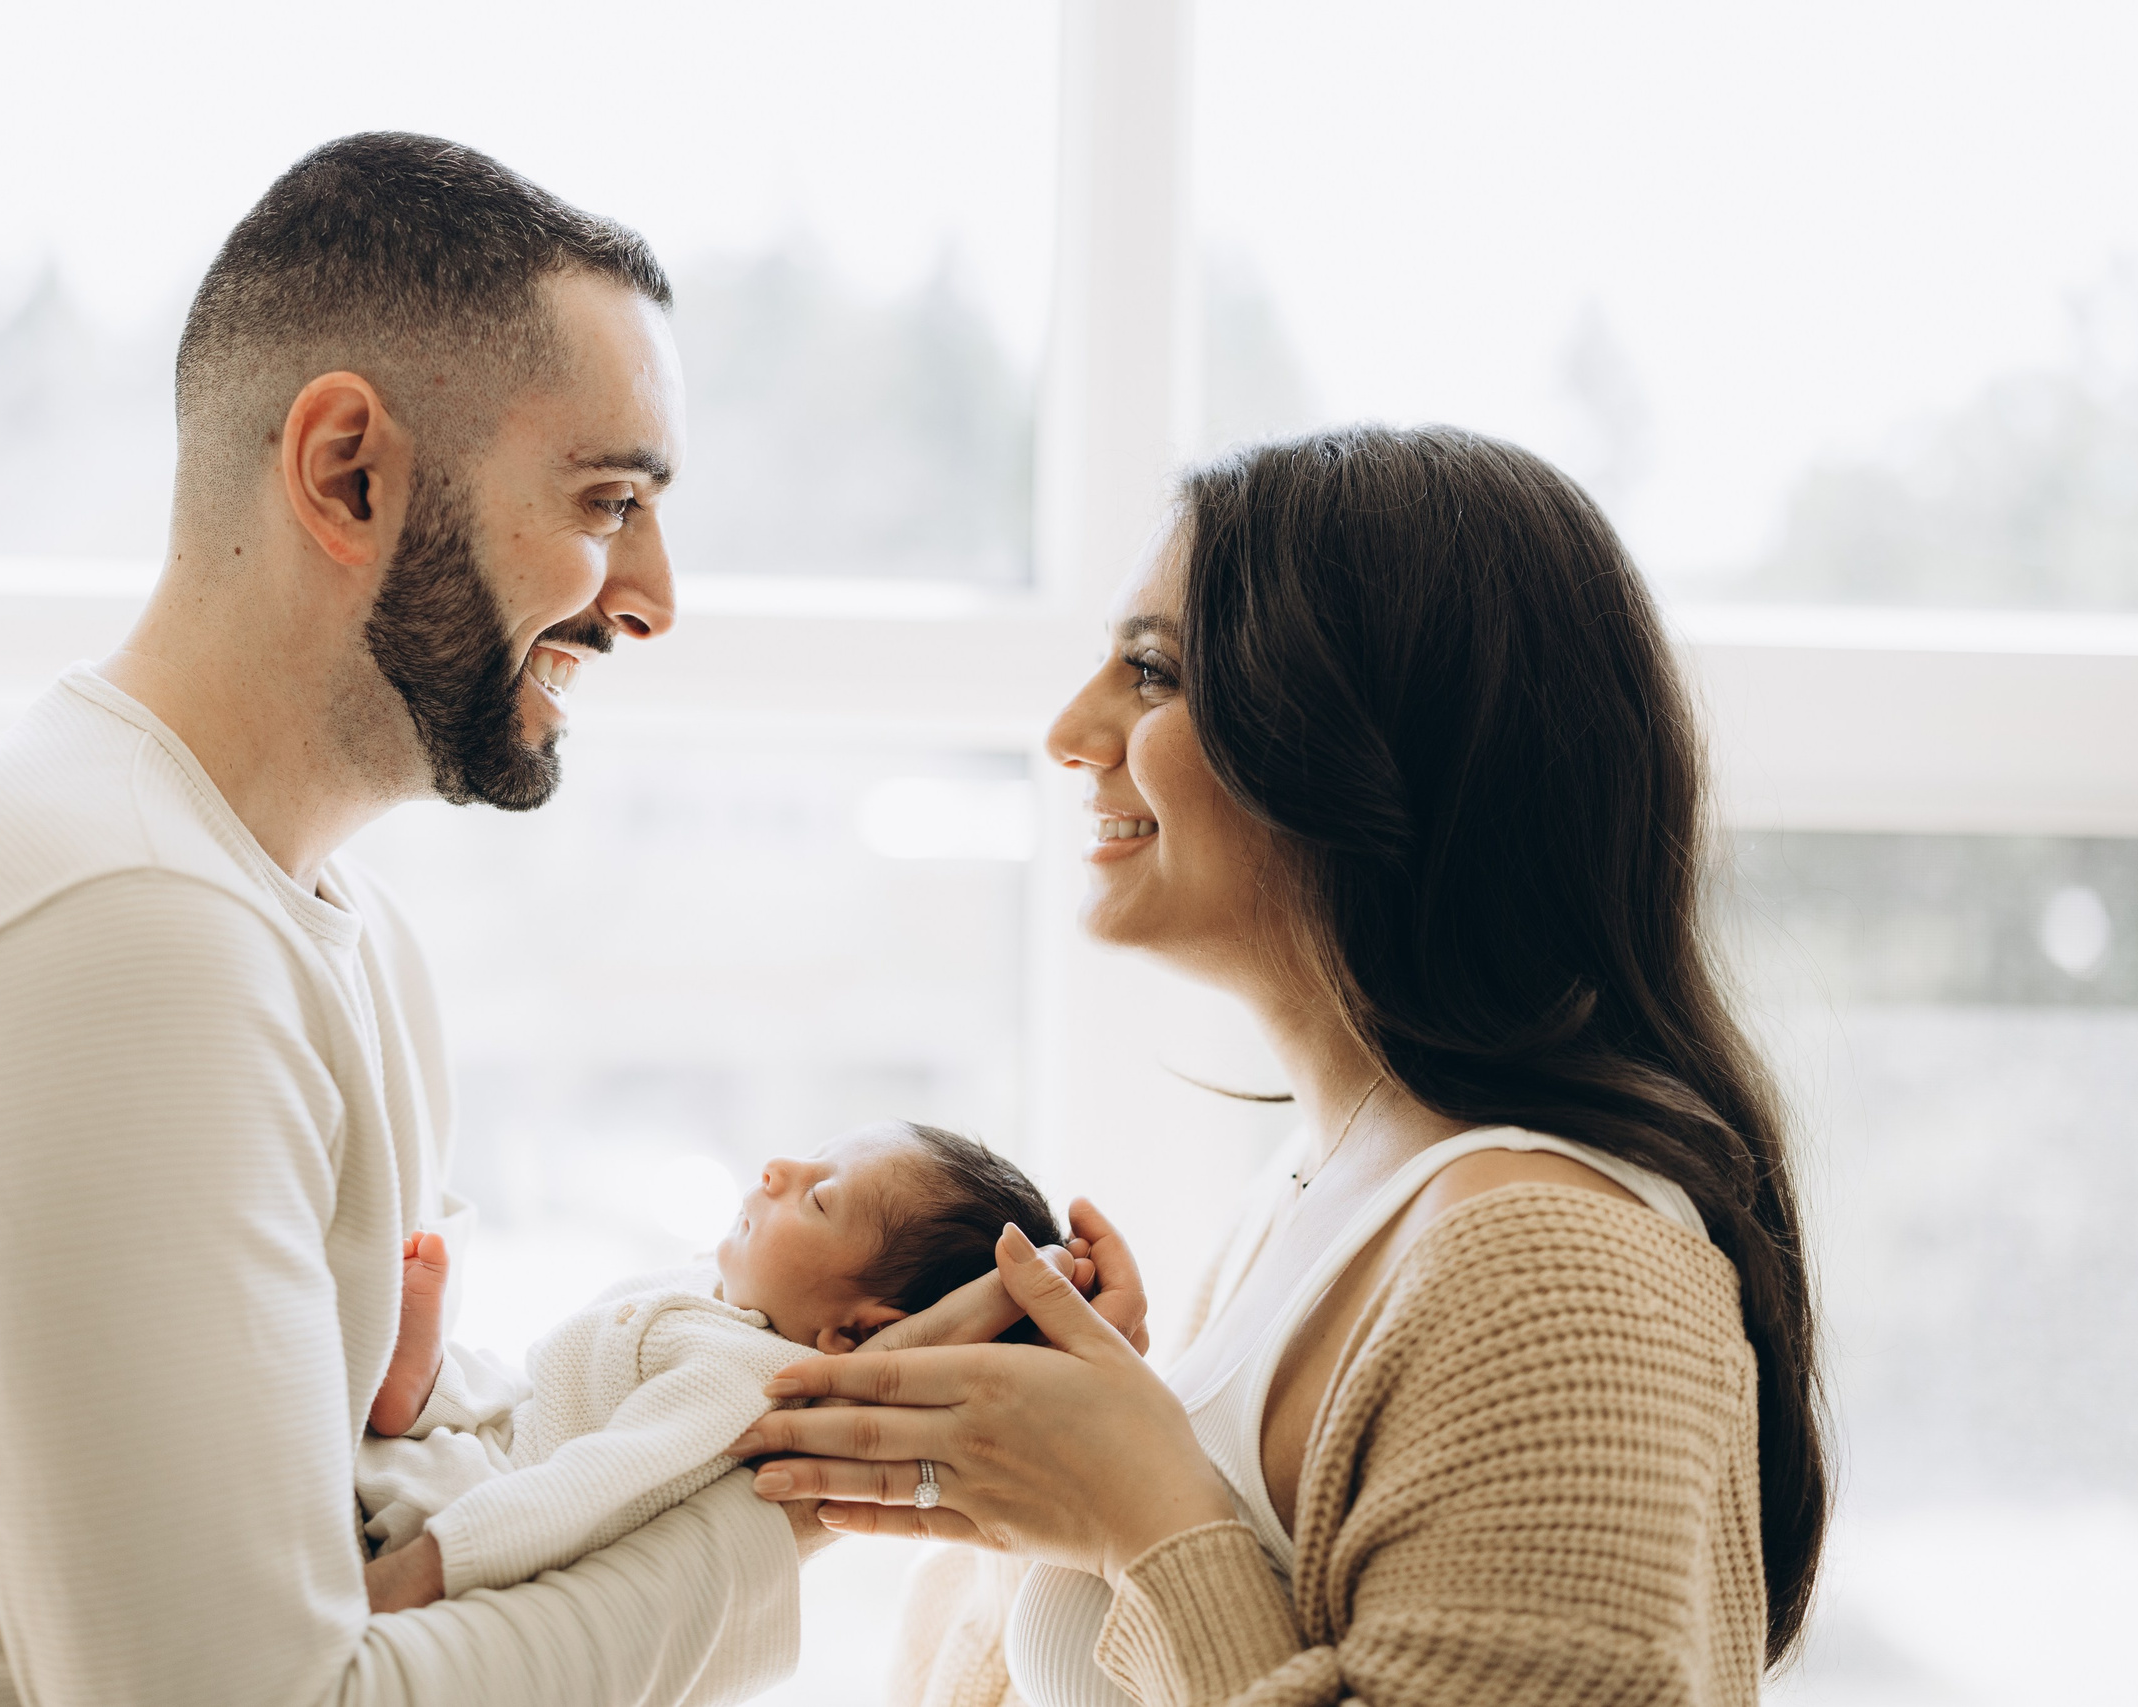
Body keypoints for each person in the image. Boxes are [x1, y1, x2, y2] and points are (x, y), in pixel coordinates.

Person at [0, 130, 1134, 1707]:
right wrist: (805, 1485)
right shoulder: (117, 945)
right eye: (609, 499)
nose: (654, 596)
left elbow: (404, 1461)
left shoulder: (318, 924)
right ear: (349, 471)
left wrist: (869, 1384)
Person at [733, 426, 1831, 1706]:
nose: (1069, 732)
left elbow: (1181, 1566)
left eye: (1149, 673)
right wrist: (1040, 1472)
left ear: (1366, 738)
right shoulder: (1310, 1199)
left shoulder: (1554, 1270)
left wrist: (1144, 1518)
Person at [354, 1123, 1065, 1603]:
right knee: (488, 1380)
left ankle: (421, 1403)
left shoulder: (742, 1380)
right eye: (812, 1156)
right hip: (509, 1416)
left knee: (415, 1468)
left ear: (851, 1334)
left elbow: (587, 1489)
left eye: (819, 1197)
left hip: (494, 1493)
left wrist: (424, 1571)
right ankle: (423, 1387)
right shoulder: (733, 1296)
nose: (777, 1168)